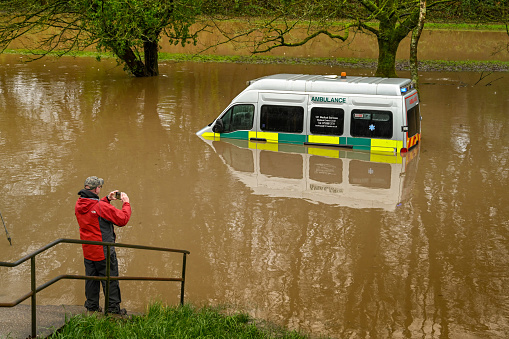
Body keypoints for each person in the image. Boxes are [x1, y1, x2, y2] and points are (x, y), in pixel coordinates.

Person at [75, 176, 131, 315]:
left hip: (88, 250)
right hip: (103, 251)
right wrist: (126, 203)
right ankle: (113, 310)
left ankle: (92, 307)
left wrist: (107, 199)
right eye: (100, 187)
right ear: (96, 189)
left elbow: (93, 210)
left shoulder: (79, 204)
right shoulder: (101, 206)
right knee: (110, 280)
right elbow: (122, 219)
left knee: (91, 279)